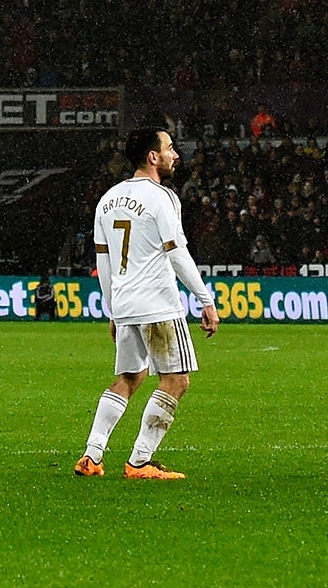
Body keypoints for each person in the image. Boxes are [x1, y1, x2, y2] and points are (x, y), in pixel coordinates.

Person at [75, 128, 218, 480]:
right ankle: (140, 462)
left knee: (128, 377)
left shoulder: (107, 199)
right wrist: (206, 300)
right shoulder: (162, 198)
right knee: (176, 381)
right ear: (153, 157)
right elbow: (177, 253)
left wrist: (112, 308)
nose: (175, 155)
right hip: (157, 304)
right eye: (169, 148)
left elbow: (103, 261)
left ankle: (92, 456)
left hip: (124, 304)